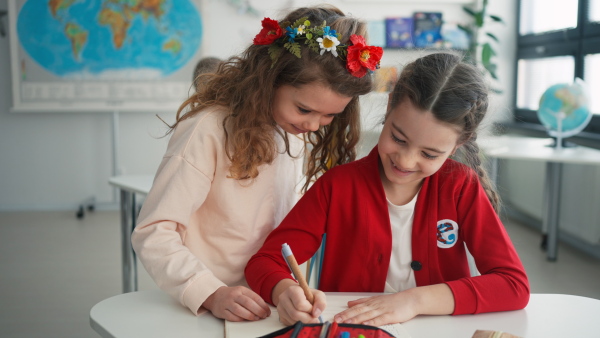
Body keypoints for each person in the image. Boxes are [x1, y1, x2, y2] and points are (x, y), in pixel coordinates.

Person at [131, 5, 382, 322]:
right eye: (304, 109)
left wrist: (282, 286)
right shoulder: (207, 129)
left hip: (268, 302)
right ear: (270, 79)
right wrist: (209, 292)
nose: (315, 125)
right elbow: (153, 232)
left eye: (329, 116)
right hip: (208, 308)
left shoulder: (290, 127)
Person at [245, 52, 530, 326]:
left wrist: (415, 301)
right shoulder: (338, 186)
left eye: (429, 154)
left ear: (459, 143)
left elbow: (513, 285)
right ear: (390, 104)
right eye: (398, 138)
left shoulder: (460, 187)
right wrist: (284, 293)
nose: (406, 161)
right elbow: (265, 261)